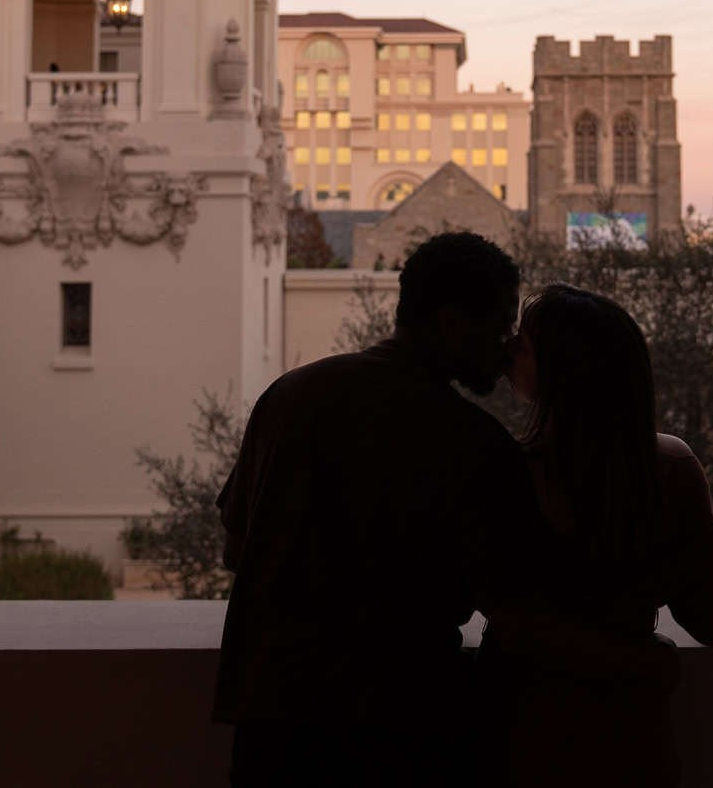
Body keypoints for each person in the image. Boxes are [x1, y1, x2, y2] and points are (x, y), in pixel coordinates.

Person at [214, 232, 531, 787]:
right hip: (405, 733)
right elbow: (512, 600)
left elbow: (237, 548)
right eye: (502, 326)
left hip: (274, 728)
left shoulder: (288, 398)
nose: (507, 348)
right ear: (454, 323)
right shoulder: (472, 443)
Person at [483, 283, 713, 787]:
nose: (508, 350)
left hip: (517, 722)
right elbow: (709, 618)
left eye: (523, 343)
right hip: (624, 729)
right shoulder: (668, 468)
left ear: (557, 368)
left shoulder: (501, 474)